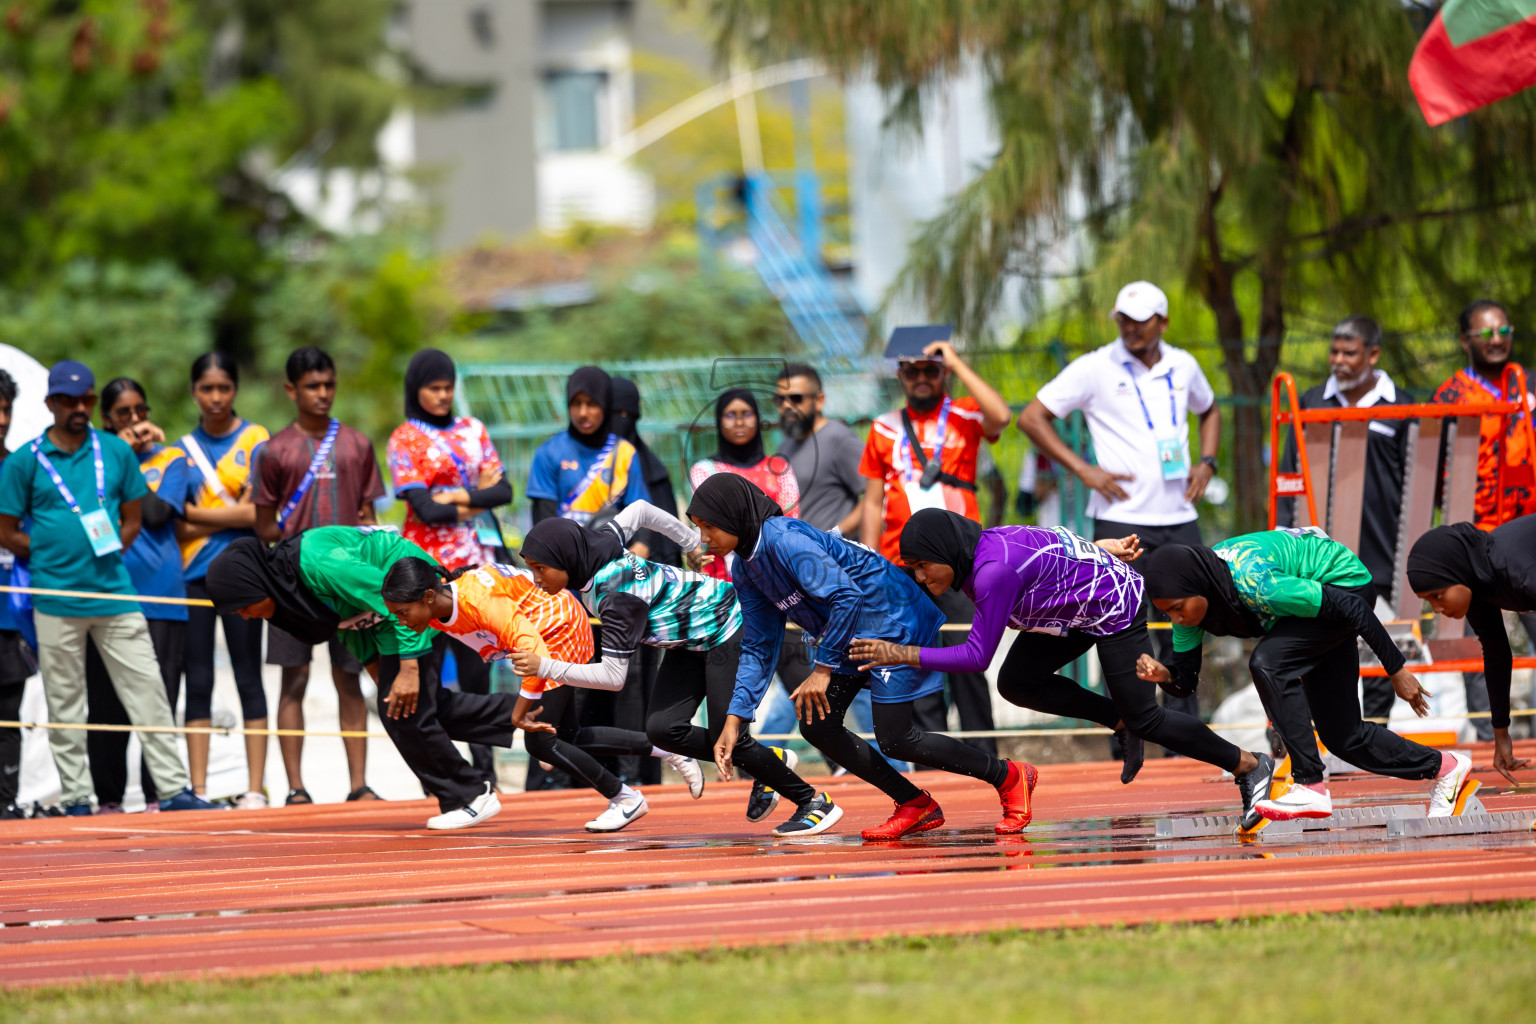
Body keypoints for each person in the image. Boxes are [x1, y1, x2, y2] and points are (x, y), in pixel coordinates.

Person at [857, 510, 1283, 828]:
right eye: (911, 567)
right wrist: (1101, 547)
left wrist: (901, 654)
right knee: (1017, 683)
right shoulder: (982, 550)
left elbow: (975, 658)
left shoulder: (991, 573)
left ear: (942, 552)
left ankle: (1248, 764)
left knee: (1146, 718)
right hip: (1070, 612)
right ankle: (1118, 720)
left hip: (1115, 604)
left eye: (921, 565)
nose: (917, 576)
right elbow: (1053, 541)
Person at [693, 475, 1037, 840]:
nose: (703, 539)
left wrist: (822, 670)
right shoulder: (746, 568)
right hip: (848, 632)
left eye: (710, 526)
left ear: (734, 516)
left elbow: (846, 596)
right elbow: (760, 644)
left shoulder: (785, 540)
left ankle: (1010, 775)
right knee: (817, 724)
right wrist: (735, 720)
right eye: (699, 528)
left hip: (891, 620)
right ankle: (914, 803)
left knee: (896, 736)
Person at [519, 500, 831, 835]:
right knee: (663, 730)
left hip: (732, 628)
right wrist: (690, 543)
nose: (536, 579)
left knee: (731, 739)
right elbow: (639, 510)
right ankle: (769, 761)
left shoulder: (617, 599)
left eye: (541, 569)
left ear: (565, 559)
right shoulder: (602, 542)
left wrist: (546, 666)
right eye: (532, 568)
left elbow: (612, 677)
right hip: (691, 642)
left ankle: (813, 801)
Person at [1137, 529, 1476, 821]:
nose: (1176, 619)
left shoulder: (1258, 583)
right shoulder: (1196, 602)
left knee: (1267, 662)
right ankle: (1446, 767)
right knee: (1344, 737)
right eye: (1166, 612)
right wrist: (1166, 675)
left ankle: (1309, 784)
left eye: (1178, 608)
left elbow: (1354, 607)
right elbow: (1186, 685)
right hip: (1312, 607)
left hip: (1346, 586)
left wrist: (1396, 669)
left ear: (1198, 587)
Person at [0, 361, 213, 815]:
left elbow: (135, 519)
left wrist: (110, 547)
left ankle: (174, 790)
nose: (79, 408)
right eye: (69, 401)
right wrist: (47, 554)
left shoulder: (114, 452)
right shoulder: (25, 461)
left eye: (87, 400)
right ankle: (78, 797)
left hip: (115, 593)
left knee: (149, 690)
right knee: (67, 701)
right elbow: (6, 530)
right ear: (50, 404)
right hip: (55, 598)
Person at [206, 527, 518, 828]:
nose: (246, 616)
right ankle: (532, 714)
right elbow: (347, 622)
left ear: (255, 585)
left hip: (414, 601)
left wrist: (409, 667)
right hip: (392, 616)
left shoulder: (319, 563)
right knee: (419, 706)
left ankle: (470, 794)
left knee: (405, 711)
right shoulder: (290, 584)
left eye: (244, 607)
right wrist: (374, 667)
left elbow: (393, 600)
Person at [1019, 281, 1221, 742]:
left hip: (1179, 516)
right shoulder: (1094, 367)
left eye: (1141, 319)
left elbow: (1210, 411)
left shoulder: (1184, 364)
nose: (1130, 328)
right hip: (1121, 520)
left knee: (1187, 623)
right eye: (1123, 319)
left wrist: (1207, 462)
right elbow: (1031, 417)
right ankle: (1133, 732)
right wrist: (1083, 470)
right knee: (1122, 626)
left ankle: (1185, 735)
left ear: (1162, 322)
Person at [381, 557, 704, 831]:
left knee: (540, 740)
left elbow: (531, 649)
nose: (401, 622)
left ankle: (626, 799)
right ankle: (666, 749)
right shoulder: (439, 610)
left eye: (402, 613)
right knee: (568, 736)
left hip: (560, 629)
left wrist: (520, 712)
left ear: (427, 597)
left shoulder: (476, 600)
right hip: (542, 633)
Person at [859, 337, 1010, 759]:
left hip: (959, 562)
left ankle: (986, 757)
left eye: (931, 370)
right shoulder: (883, 426)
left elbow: (1002, 416)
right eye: (913, 371)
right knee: (915, 659)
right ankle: (931, 761)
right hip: (899, 561)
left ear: (942, 373)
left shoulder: (964, 413)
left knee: (968, 657)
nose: (922, 378)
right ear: (900, 376)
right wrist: (870, 562)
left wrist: (957, 361)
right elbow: (872, 500)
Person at [253, 347, 386, 807]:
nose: (323, 393)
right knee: (293, 680)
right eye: (312, 385)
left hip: (349, 588)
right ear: (291, 390)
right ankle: (295, 788)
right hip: (293, 587)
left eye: (329, 384)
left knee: (351, 680)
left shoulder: (358, 444)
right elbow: (265, 525)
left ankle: (360, 785)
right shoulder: (274, 450)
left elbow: (370, 515)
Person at [388, 349, 514, 785]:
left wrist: (448, 498)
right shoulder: (404, 438)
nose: (442, 396)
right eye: (433, 388)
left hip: (476, 567)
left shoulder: (472, 429)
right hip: (426, 569)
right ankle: (439, 773)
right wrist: (467, 497)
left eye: (447, 388)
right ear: (416, 390)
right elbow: (424, 510)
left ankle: (486, 771)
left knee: (480, 673)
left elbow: (503, 492)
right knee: (427, 676)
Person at [1276, 317, 1408, 723]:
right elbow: (1288, 476)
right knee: (1312, 643)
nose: (1339, 360)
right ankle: (1302, 735)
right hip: (1319, 555)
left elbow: (1416, 480)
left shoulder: (1402, 407)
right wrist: (1285, 535)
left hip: (1382, 551)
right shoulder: (1312, 403)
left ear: (1372, 354)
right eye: (1334, 352)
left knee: (1378, 647)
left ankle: (1374, 731)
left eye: (1349, 353)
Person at [770, 362, 890, 765]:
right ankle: (871, 760)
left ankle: (890, 761)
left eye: (797, 398)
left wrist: (833, 537)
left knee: (842, 666)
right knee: (827, 669)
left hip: (838, 577)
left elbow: (872, 497)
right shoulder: (785, 448)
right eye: (780, 398)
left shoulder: (838, 438)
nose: (787, 406)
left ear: (819, 399)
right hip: (801, 580)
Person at [1430, 299, 1536, 741]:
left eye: (1502, 330)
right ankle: (1487, 732)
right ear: (1464, 340)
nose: (1496, 340)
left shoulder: (1527, 383)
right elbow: (1434, 469)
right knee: (1482, 641)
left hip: (1527, 530)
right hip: (1476, 534)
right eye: (1485, 333)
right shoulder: (1449, 396)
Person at [84, 378, 191, 812]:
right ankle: (108, 797)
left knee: (159, 698)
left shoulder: (172, 459)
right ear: (105, 419)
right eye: (123, 414)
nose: (134, 421)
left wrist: (123, 458)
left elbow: (157, 512)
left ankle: (157, 794)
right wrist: (117, 456)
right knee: (105, 701)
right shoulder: (88, 461)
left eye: (140, 411)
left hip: (162, 593)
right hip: (106, 591)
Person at [175, 353, 269, 803]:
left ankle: (254, 789)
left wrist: (198, 514)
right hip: (193, 576)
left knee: (249, 676)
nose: (216, 397)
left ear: (235, 389)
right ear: (194, 391)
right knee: (199, 680)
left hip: (245, 577)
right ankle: (197, 789)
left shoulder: (256, 439)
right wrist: (231, 514)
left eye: (224, 388)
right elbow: (177, 526)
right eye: (206, 389)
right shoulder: (179, 451)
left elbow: (258, 513)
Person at [1408, 519, 1536, 785]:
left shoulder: (1516, 569)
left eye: (1438, 595)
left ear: (1457, 573)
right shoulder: (1479, 586)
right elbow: (1498, 654)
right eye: (1428, 601)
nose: (1436, 609)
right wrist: (1501, 734)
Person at [609, 376, 675, 786]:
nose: (621, 422)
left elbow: (664, 540)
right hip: (603, 597)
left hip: (647, 601)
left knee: (642, 689)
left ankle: (642, 777)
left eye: (627, 415)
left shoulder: (650, 469)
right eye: (614, 414)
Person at [689, 388, 799, 583]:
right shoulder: (704, 470)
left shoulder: (779, 467)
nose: (739, 422)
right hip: (724, 580)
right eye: (731, 415)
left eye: (746, 414)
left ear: (757, 419)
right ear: (719, 421)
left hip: (778, 573)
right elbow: (712, 522)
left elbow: (791, 520)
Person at [526, 366, 649, 527]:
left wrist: (640, 547)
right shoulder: (549, 452)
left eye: (592, 403)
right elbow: (543, 519)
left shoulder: (625, 453)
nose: (583, 412)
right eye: (576, 403)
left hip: (613, 549)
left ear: (605, 405)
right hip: (563, 549)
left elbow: (640, 513)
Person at [0, 369, 31, 819]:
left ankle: (5, 806)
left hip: (10, 615)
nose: (0, 419)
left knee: (7, 717)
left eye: (5, 410)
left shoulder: (21, 469)